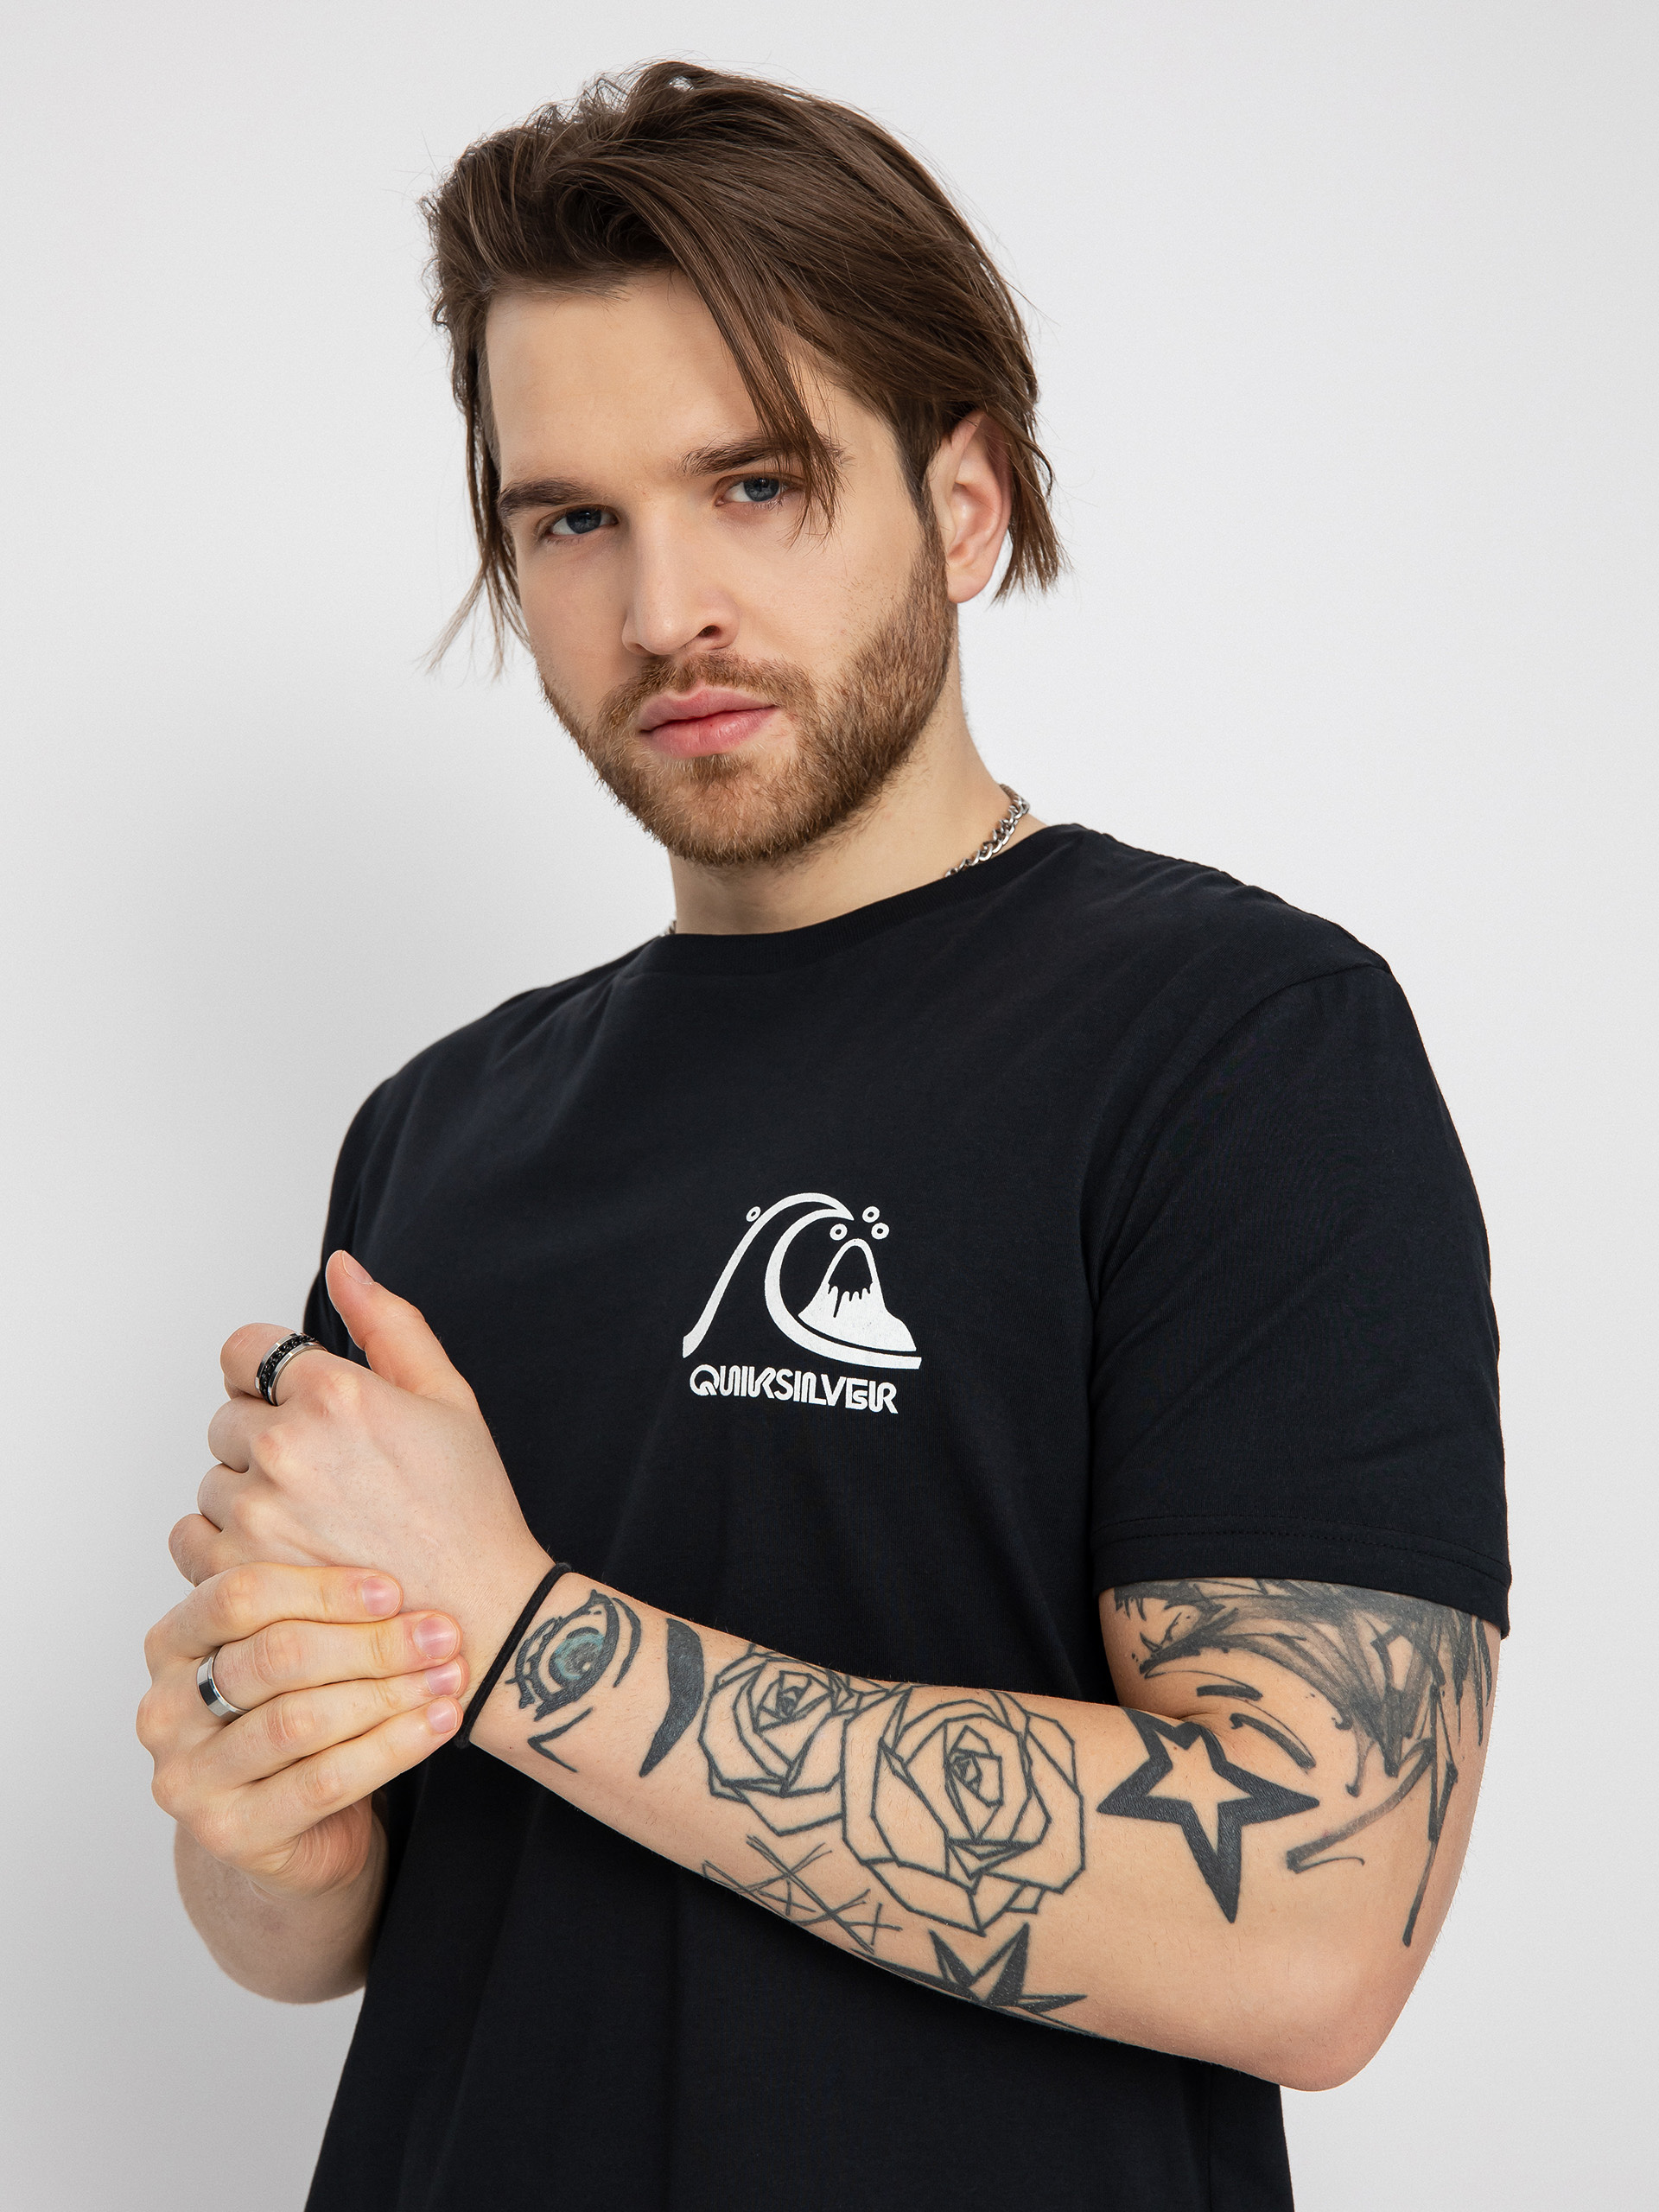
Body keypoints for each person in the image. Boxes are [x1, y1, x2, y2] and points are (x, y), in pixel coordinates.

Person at [137, 61, 1508, 2212]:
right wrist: (267, 1831)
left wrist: (522, 1631)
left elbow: (1316, 1930)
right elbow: (334, 1929)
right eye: (570, 519)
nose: (662, 604)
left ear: (962, 505)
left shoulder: (1239, 1045)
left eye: (755, 482)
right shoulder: (440, 1127)